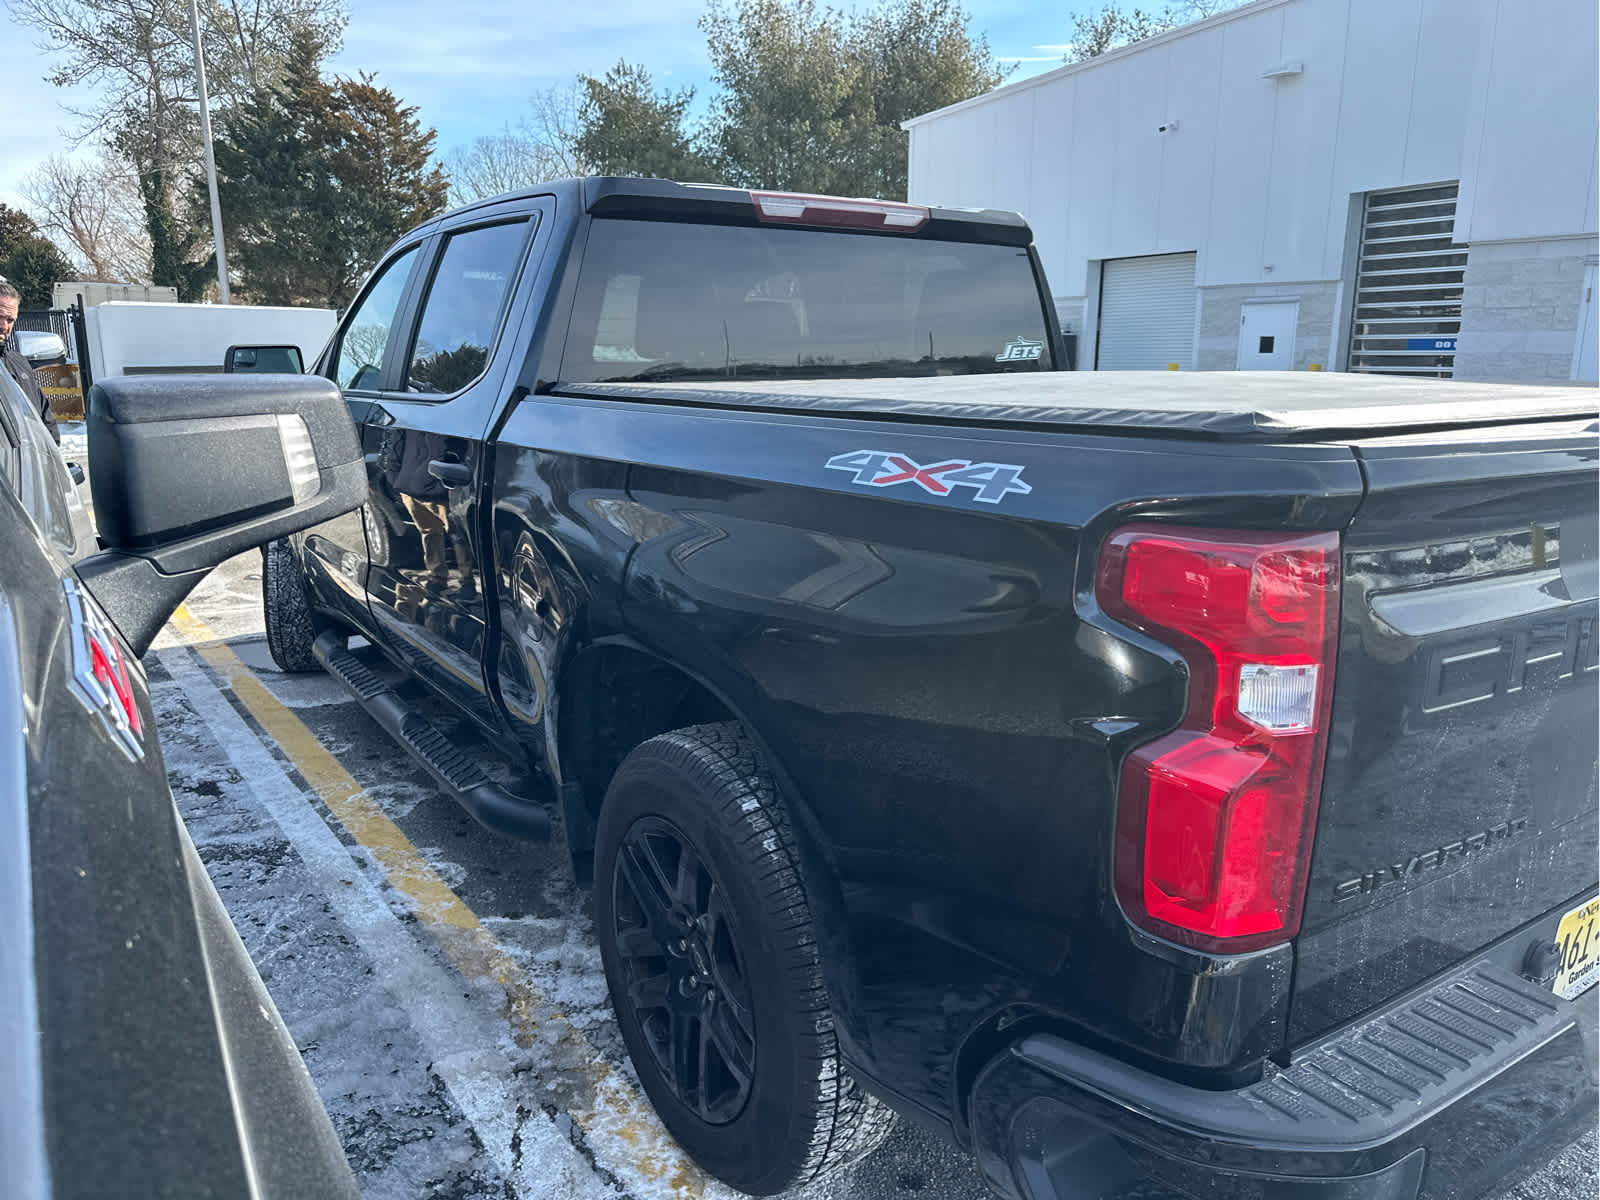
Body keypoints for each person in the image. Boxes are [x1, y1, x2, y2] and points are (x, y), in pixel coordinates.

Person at [0, 282, 59, 444]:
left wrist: (52, 462)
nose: (4, 326)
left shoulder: (19, 363)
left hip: (30, 464)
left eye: (10, 320)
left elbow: (44, 416)